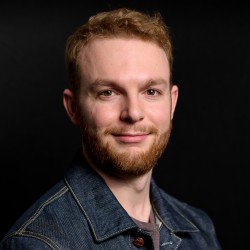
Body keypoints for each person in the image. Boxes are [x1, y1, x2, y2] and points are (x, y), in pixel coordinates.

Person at [0, 7, 222, 250]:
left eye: (151, 92)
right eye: (108, 92)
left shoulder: (199, 230)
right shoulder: (38, 243)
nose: (133, 113)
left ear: (172, 102)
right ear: (73, 108)